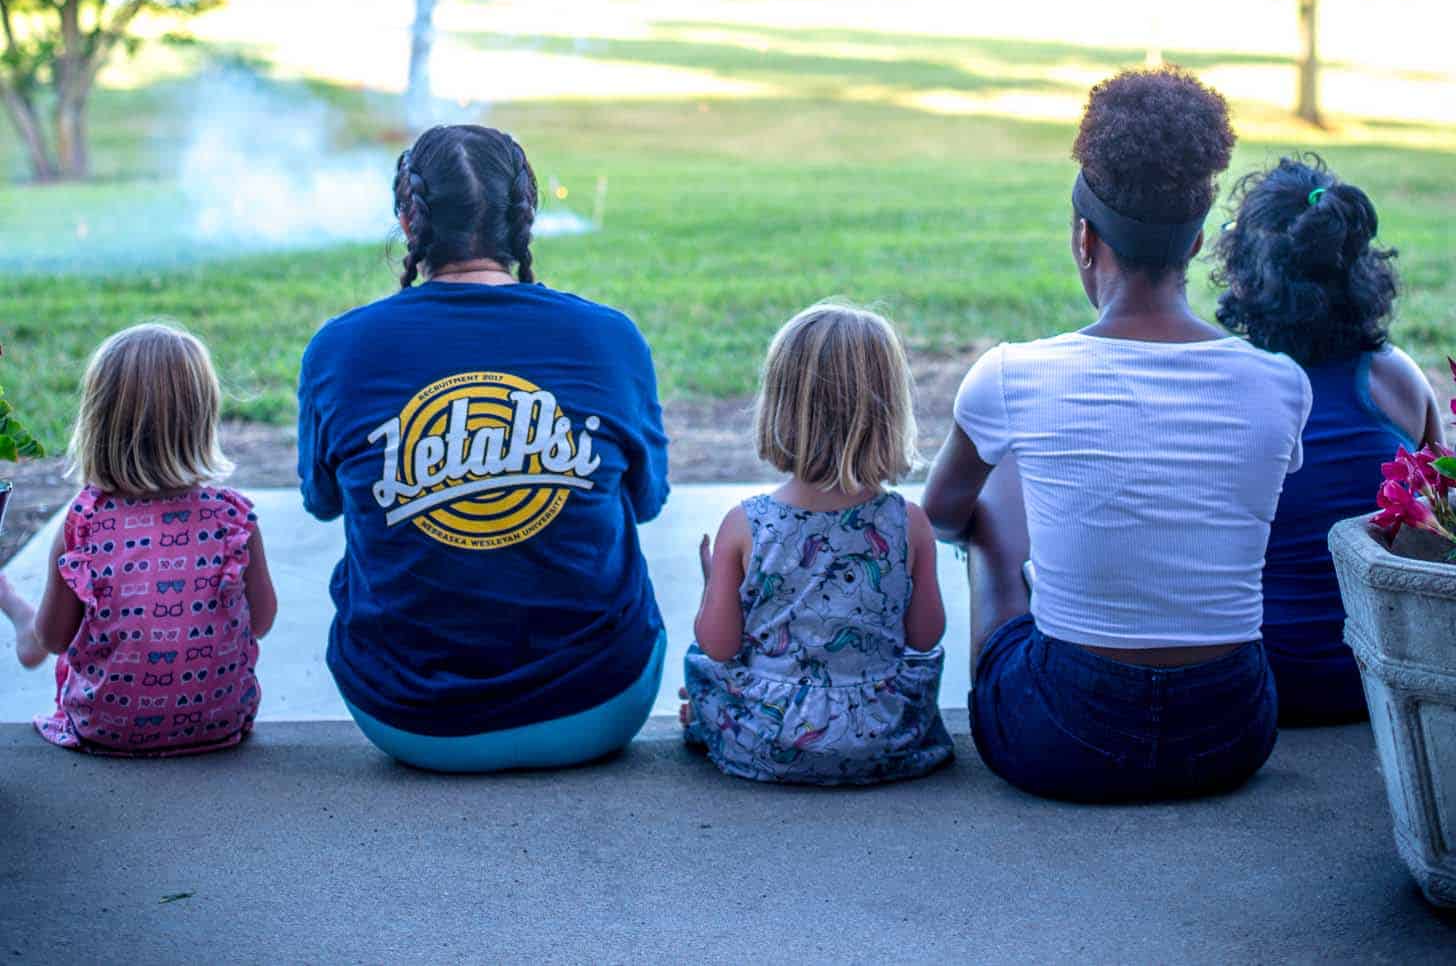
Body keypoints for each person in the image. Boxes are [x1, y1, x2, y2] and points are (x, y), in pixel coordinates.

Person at [923, 66, 1312, 803]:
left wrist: (1007, 542)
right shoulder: (1281, 384)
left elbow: (941, 516)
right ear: (1197, 241)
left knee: (1001, 489)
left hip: (1060, 736)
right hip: (1231, 732)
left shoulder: (1013, 376)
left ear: (1083, 238)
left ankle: (1011, 603)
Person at [298, 122, 669, 772]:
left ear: (408, 219)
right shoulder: (610, 338)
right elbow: (647, 501)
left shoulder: (339, 349)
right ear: (522, 217)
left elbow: (323, 502)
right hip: (602, 706)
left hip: (408, 720)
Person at [682, 303, 953, 785]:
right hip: (881, 737)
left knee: (699, 663)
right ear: (889, 410)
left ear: (779, 408)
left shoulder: (746, 524)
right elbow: (925, 638)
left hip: (769, 741)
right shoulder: (906, 522)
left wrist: (714, 586)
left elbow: (718, 645)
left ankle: (707, 721)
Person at [1213, 155, 1442, 725]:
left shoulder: (1226, 389)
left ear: (1244, 273)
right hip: (1378, 679)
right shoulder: (1397, 381)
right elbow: (1439, 531)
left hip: (1257, 684)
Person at [0, 323, 274, 755]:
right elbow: (260, 622)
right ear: (202, 418)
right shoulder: (233, 518)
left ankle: (17, 612)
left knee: (44, 634)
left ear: (97, 422)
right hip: (223, 723)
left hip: (105, 729)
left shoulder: (85, 521)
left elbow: (55, 640)